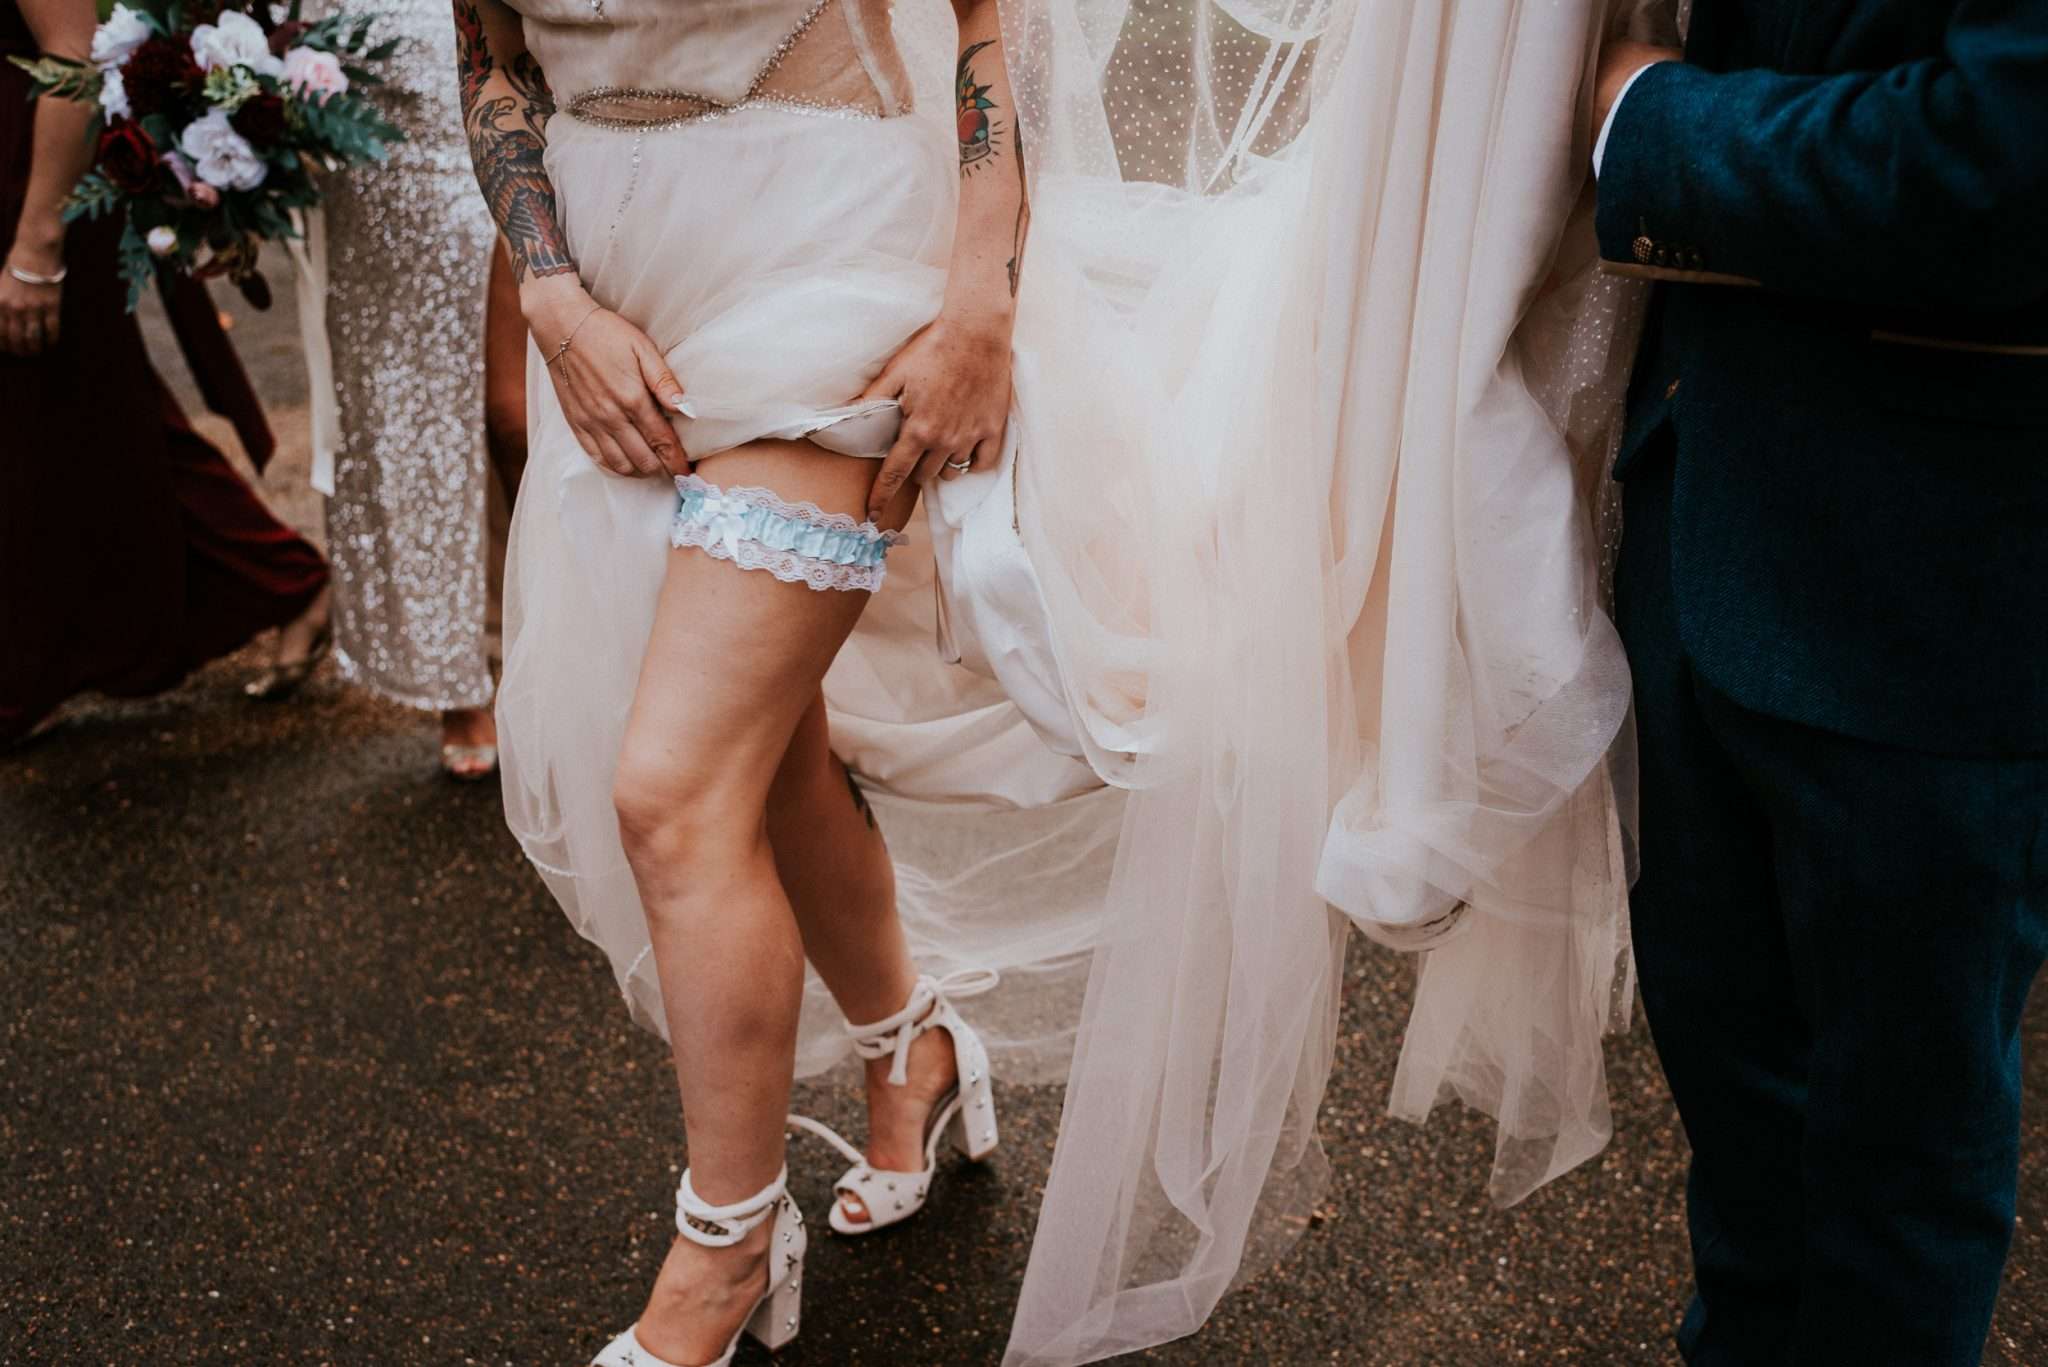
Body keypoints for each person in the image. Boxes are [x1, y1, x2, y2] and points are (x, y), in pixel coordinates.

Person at [462, 0, 1117, 1363]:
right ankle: (912, 1043)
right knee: (769, 754)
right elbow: (490, 58)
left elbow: (998, 20)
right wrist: (552, 297)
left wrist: (981, 303)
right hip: (612, 301)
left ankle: (728, 1243)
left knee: (673, 788)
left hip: (829, 254)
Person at [1593, 3, 2048, 1362]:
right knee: (1747, 1154)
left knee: (1893, 1182)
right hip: (1706, 495)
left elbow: (2004, 155)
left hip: (1944, 580)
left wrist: (1644, 122)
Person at [0, 0, 331, 744]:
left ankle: (286, 580)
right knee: (81, 415)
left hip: (33, 191)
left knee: (78, 418)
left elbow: (72, 56)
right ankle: (284, 581)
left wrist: (36, 246)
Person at [303, 0, 523, 778]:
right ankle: (461, 672)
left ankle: (555, 641)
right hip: (363, 149)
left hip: (474, 99)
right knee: (410, 416)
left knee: (513, 417)